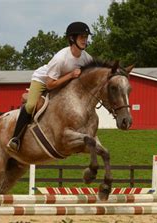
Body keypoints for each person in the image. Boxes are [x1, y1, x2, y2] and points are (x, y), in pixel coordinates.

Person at [7, 22, 94, 152]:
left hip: (64, 83)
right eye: (82, 37)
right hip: (43, 81)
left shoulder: (87, 58)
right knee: (31, 106)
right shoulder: (60, 58)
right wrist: (71, 75)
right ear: (72, 39)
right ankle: (15, 139)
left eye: (86, 37)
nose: (85, 40)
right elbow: (50, 84)